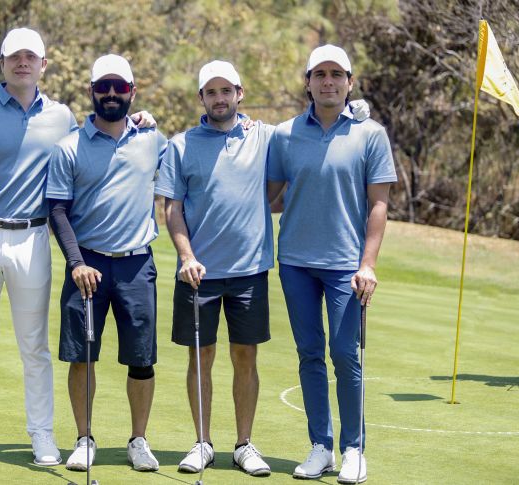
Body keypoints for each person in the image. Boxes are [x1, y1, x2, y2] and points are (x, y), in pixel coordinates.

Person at [0, 29, 154, 468]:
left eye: (31, 57)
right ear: (1, 62)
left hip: (34, 238)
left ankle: (41, 436)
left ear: (43, 64)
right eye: (14, 56)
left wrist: (141, 120)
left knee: (34, 346)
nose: (23, 62)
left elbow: (105, 132)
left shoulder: (61, 117)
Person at [155, 60, 370, 477]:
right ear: (202, 98)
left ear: (240, 93)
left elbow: (308, 130)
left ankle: (243, 444)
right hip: (197, 271)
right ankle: (202, 443)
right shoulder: (181, 144)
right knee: (201, 358)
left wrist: (354, 109)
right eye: (211, 92)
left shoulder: (267, 136)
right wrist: (185, 256)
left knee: (245, 357)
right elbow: (172, 207)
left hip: (250, 270)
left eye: (226, 90)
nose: (219, 98)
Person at [266, 44, 396, 484]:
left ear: (350, 82)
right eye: (319, 74)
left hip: (347, 266)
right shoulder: (284, 134)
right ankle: (320, 446)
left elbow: (378, 205)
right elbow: (268, 194)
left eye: (336, 75)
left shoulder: (370, 134)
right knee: (309, 355)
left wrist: (369, 264)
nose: (328, 81)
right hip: (296, 262)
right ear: (307, 82)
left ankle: (354, 449)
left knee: (345, 356)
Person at [45, 54, 167, 473]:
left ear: (132, 92)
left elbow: (189, 174)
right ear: (91, 92)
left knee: (142, 358)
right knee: (83, 356)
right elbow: (57, 210)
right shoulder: (68, 148)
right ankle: (84, 438)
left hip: (136, 264)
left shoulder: (153, 139)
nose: (112, 94)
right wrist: (76, 262)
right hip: (87, 265)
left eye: (120, 87)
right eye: (104, 87)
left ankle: (138, 440)